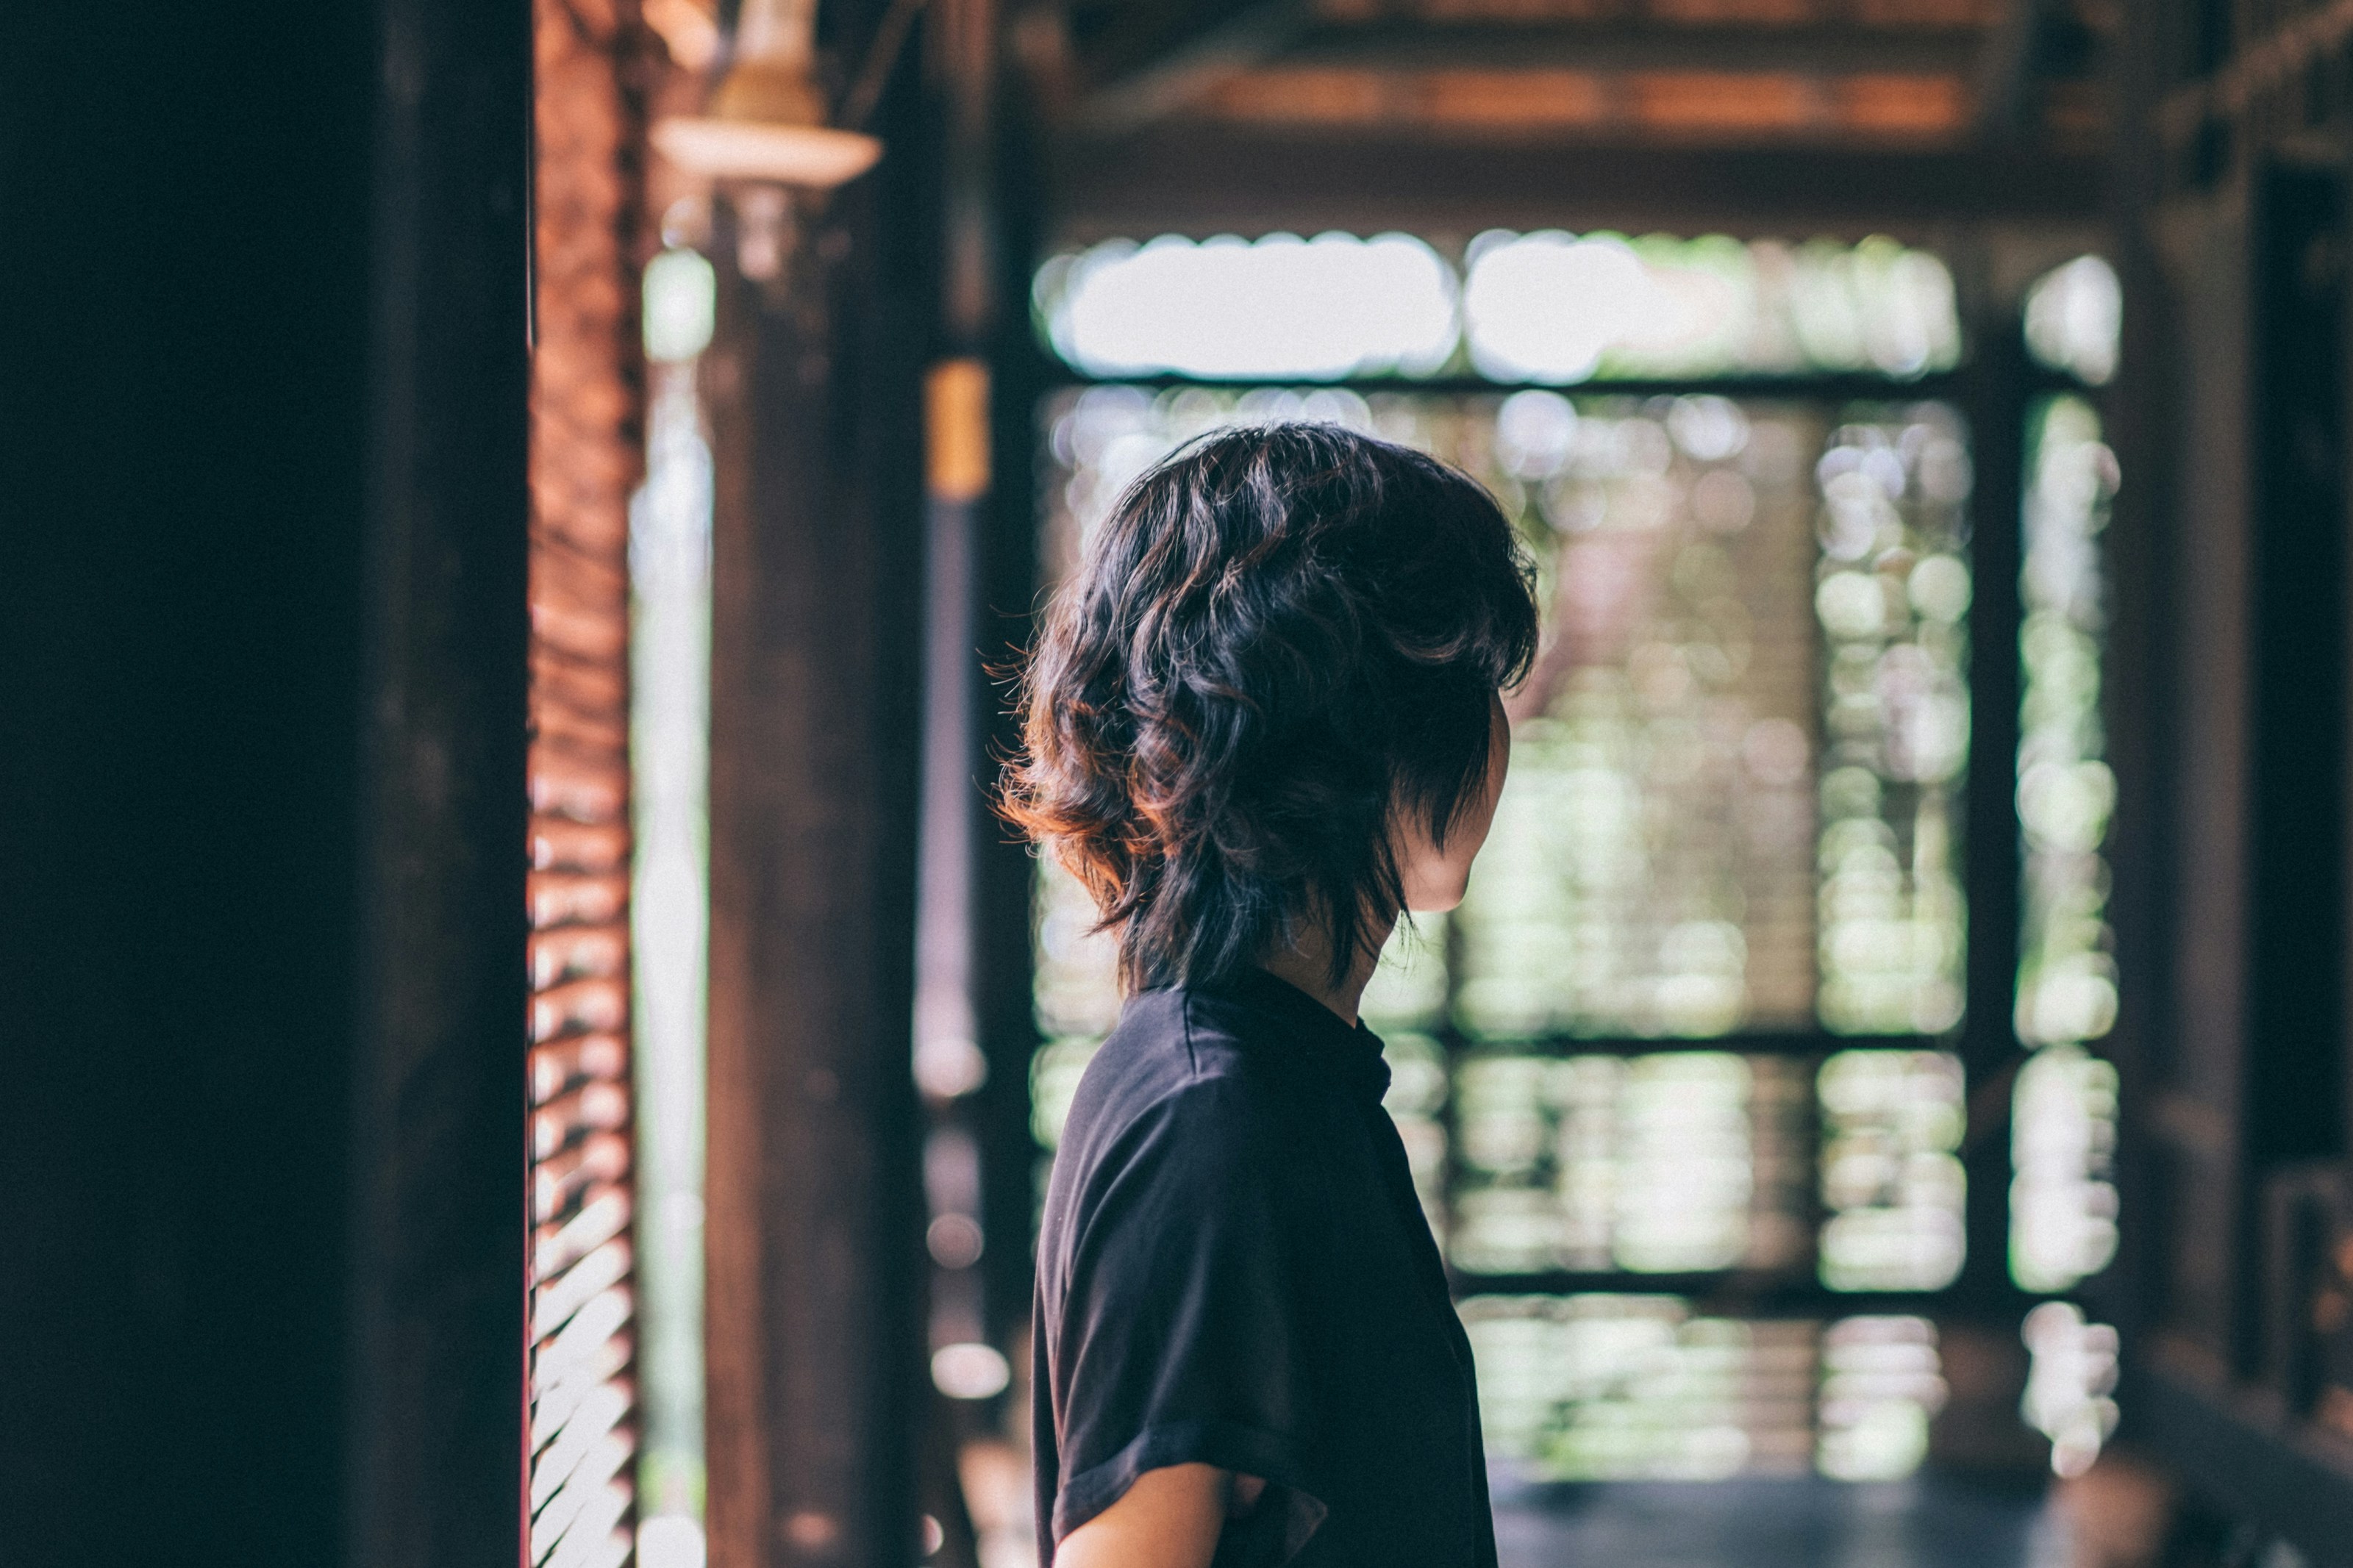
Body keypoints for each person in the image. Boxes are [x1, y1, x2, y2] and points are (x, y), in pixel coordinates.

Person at [1001, 423, 1541, 1568]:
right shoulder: (1215, 1118)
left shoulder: (1277, 1076)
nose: (1500, 732)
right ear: (1355, 729)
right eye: (1472, 680)